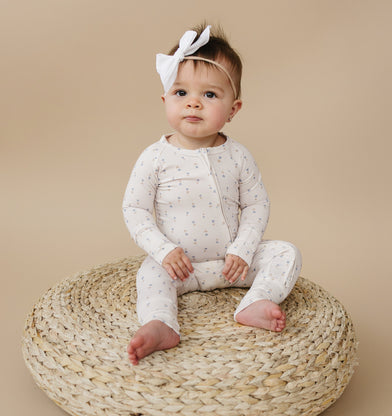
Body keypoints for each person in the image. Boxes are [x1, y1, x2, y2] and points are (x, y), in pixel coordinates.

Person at [122, 24, 302, 365]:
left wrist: (243, 250)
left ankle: (255, 302)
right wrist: (164, 250)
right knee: (149, 273)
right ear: (165, 99)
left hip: (231, 266)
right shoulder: (155, 158)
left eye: (209, 95)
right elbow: (135, 209)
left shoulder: (238, 156)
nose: (193, 102)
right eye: (181, 92)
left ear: (233, 109)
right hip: (180, 268)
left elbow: (256, 204)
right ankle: (161, 323)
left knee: (286, 253)